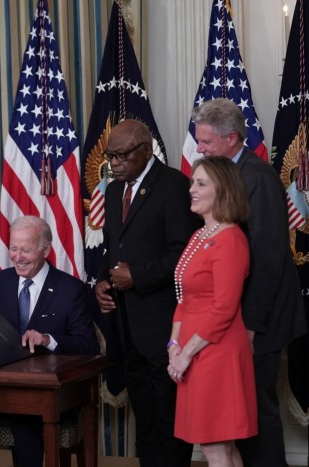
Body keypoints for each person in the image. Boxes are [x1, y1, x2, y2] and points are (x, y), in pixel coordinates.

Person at [193, 98, 307, 467]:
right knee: (242, 410)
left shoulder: (256, 176)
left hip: (262, 317)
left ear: (231, 138)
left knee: (257, 408)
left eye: (206, 142)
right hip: (237, 315)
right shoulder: (227, 174)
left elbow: (269, 256)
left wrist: (252, 324)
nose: (199, 148)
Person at [0, 215, 99, 467]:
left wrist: (48, 339)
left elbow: (89, 346)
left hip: (45, 394)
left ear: (46, 249)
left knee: (25, 425)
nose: (18, 257)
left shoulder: (71, 289)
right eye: (14, 248)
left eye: (26, 249)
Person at [94, 119, 200, 467]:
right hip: (126, 323)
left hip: (165, 322)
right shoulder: (112, 191)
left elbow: (185, 253)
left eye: (122, 155)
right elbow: (112, 246)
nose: (114, 163)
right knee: (143, 411)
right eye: (111, 156)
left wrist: (137, 277)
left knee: (168, 414)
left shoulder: (173, 186)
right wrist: (103, 282)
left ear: (146, 151)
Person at [167, 156, 256, 467]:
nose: (192, 188)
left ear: (224, 190)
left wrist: (187, 353)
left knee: (215, 446)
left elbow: (224, 308)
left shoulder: (230, 238)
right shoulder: (199, 235)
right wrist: (173, 345)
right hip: (193, 348)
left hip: (216, 350)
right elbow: (183, 298)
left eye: (201, 183)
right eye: (193, 182)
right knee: (221, 447)